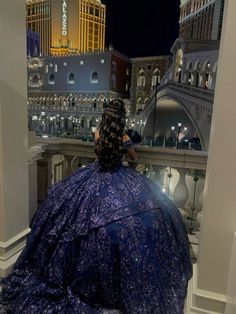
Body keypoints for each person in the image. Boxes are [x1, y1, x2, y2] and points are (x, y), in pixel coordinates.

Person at [0, 99, 192, 314]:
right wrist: (129, 157)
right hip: (121, 177)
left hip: (94, 177)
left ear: (104, 118)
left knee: (74, 222)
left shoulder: (98, 134)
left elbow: (99, 155)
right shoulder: (125, 137)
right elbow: (134, 158)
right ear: (121, 120)